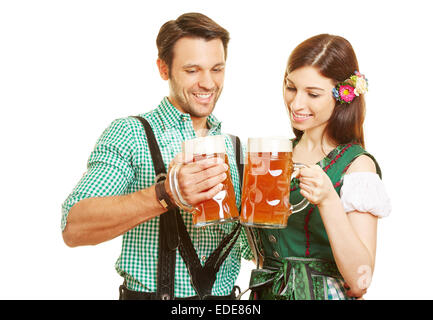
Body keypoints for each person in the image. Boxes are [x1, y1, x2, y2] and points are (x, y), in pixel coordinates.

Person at [61, 12, 252, 300]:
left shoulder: (238, 149)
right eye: (192, 71)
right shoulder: (131, 133)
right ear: (164, 69)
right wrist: (166, 193)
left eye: (217, 69)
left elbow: (253, 250)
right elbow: (74, 227)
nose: (208, 83)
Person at [248, 34, 391, 300]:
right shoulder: (275, 155)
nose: (296, 103)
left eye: (312, 93)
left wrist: (328, 199)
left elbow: (360, 280)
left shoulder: (358, 167)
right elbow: (254, 249)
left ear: (343, 96)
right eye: (291, 87)